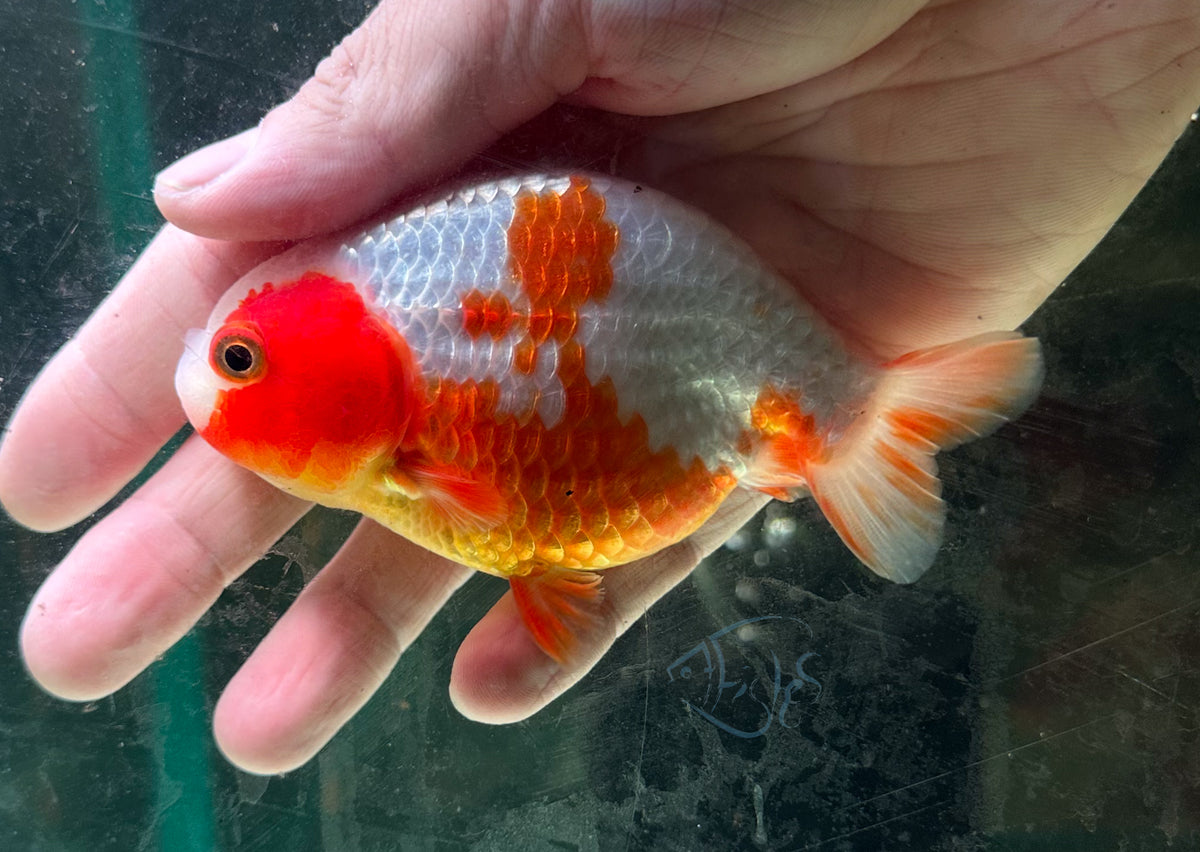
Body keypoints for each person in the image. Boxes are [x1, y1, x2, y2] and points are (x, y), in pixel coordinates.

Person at [1, 0, 1197, 775]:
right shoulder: (405, 355)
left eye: (242, 362)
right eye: (237, 361)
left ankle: (856, 413)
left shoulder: (416, 412)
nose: (220, 388)